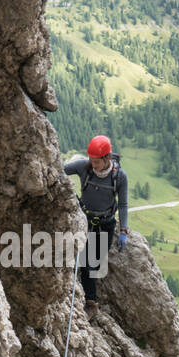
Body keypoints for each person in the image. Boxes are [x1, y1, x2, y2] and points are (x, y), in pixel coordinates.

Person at [63, 135, 128, 317]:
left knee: (95, 263)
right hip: (85, 219)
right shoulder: (84, 167)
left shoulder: (119, 177)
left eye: (96, 161)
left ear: (107, 158)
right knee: (86, 263)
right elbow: (58, 170)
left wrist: (123, 230)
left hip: (105, 224)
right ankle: (91, 303)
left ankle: (89, 299)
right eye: (91, 160)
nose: (93, 164)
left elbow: (123, 204)